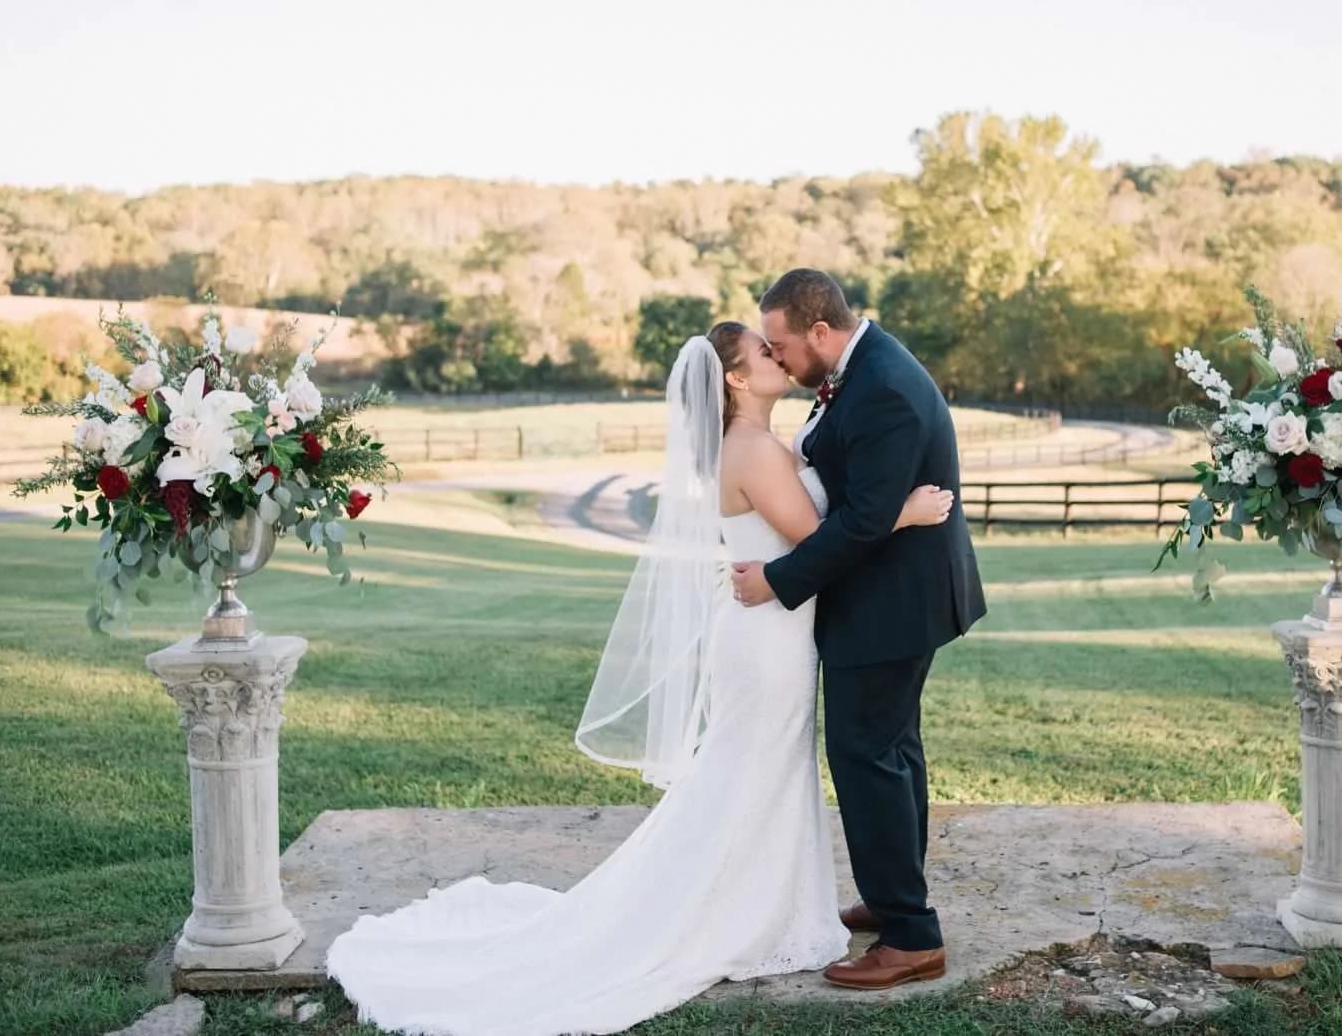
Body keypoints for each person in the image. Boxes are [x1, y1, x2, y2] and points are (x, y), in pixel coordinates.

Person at [325, 323, 955, 1036]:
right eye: (764, 352)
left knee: (760, 771)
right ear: (739, 381)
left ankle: (775, 902)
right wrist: (901, 513)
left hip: (769, 629)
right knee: (751, 771)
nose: (779, 358)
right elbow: (820, 539)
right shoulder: (750, 449)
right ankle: (724, 912)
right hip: (765, 636)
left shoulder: (757, 444)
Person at [731, 268, 987, 991]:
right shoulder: (863, 366)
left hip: (891, 603)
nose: (777, 359)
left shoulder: (882, 389)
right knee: (892, 750)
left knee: (866, 755)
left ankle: (910, 936)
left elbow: (868, 522)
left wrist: (777, 582)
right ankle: (892, 898)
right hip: (892, 597)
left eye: (780, 345)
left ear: (819, 331)